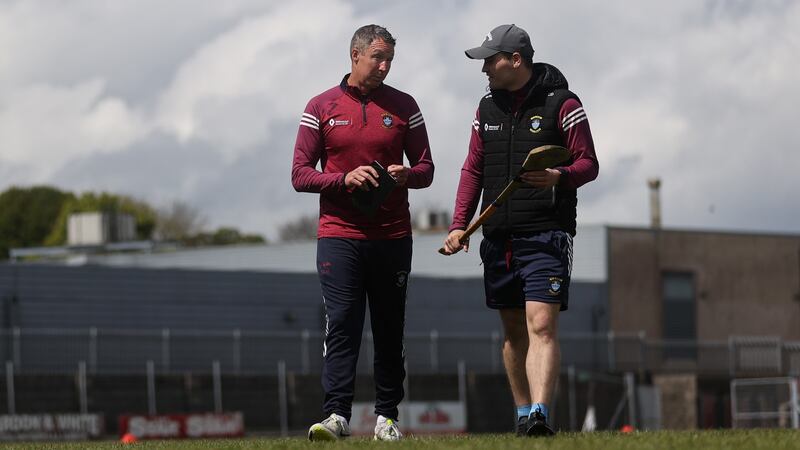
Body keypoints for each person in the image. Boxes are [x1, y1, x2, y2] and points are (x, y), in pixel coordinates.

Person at [441, 24, 599, 437]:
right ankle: (523, 415)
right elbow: (473, 169)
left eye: (490, 60)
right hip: (497, 238)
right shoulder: (484, 109)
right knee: (513, 332)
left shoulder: (563, 103)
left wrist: (558, 177)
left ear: (516, 60)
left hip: (546, 233)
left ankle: (541, 415)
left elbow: (588, 164)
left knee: (541, 325)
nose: (485, 69)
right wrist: (460, 225)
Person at [291, 24, 434, 441]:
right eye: (378, 57)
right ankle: (336, 416)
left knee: (390, 328)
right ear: (355, 55)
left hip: (392, 235)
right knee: (343, 325)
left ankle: (387, 418)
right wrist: (342, 179)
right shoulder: (320, 106)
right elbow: (300, 175)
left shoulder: (405, 105)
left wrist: (406, 175)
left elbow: (427, 169)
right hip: (338, 234)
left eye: (390, 58)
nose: (385, 66)